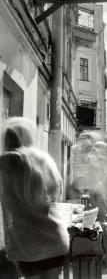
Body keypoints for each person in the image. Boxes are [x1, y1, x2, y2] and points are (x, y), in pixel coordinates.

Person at [0, 117, 69, 279]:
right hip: (53, 238)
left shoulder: (4, 163)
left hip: (25, 243)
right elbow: (55, 194)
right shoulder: (43, 159)